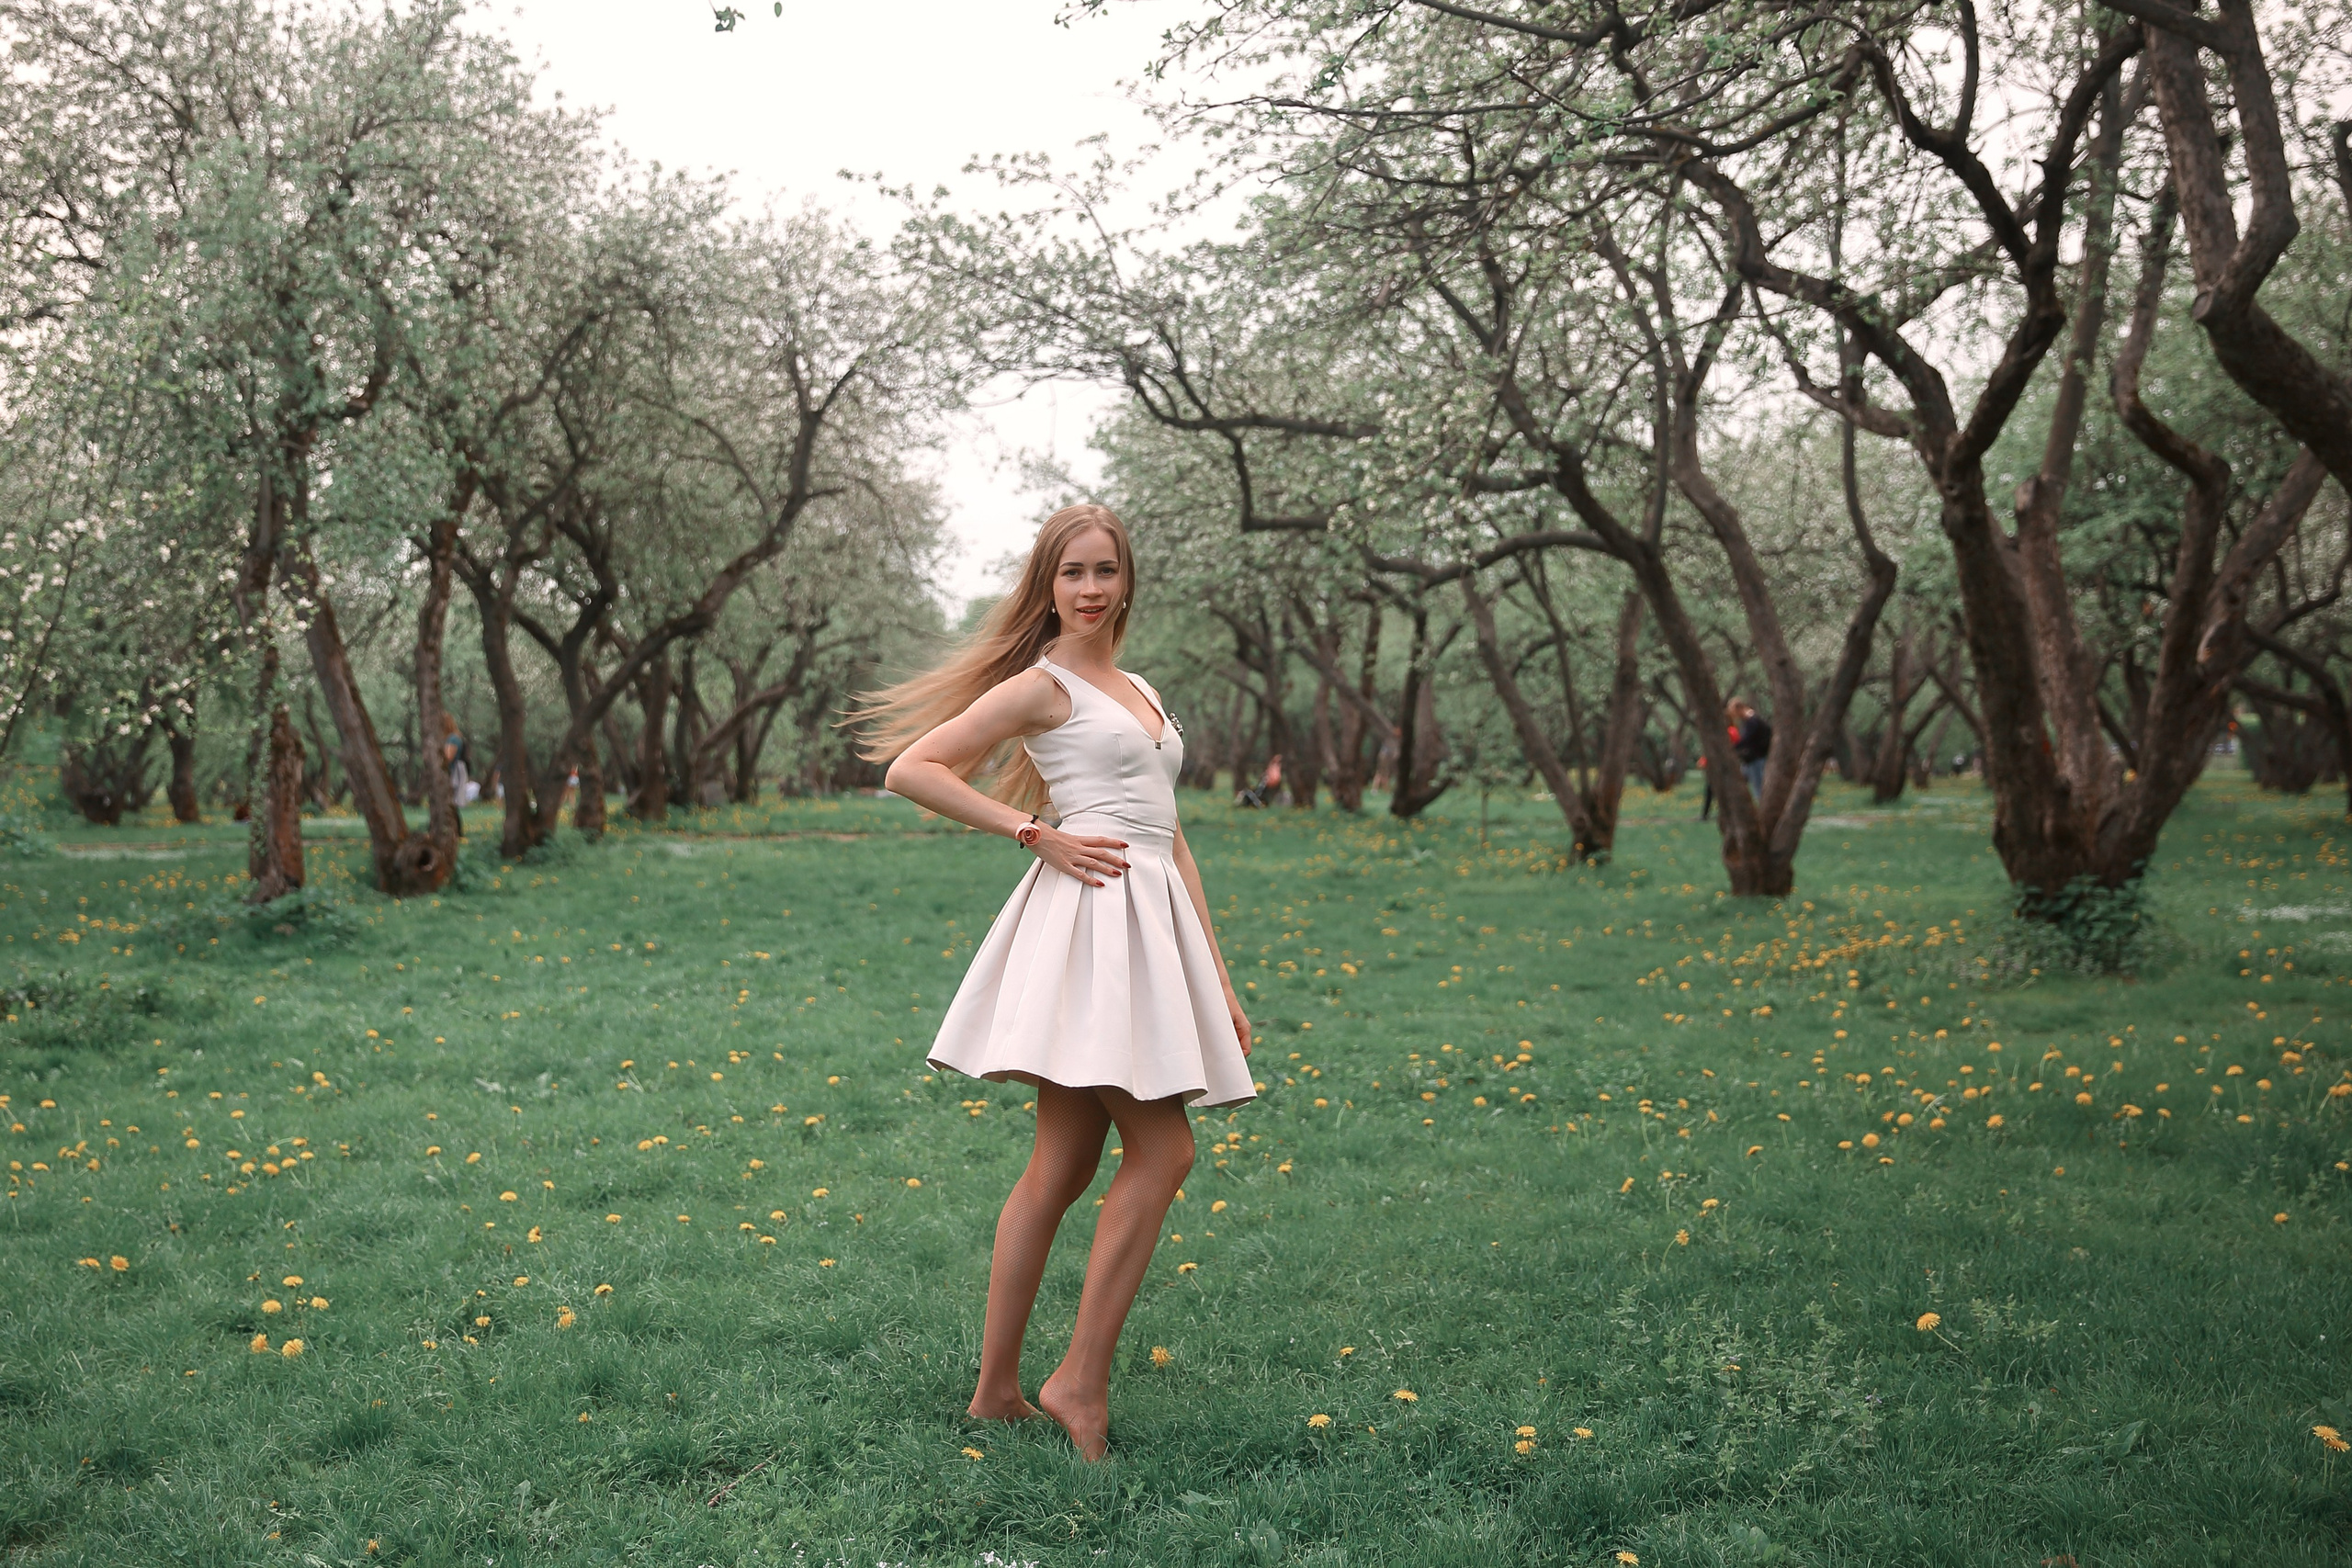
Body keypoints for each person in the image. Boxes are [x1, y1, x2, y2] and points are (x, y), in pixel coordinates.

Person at [859, 503, 1253, 1462]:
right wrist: (1034, 833)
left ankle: (995, 1394)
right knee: (1163, 1155)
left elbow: (1170, 833)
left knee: (1065, 1167)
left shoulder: (1137, 685)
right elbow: (915, 768)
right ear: (1048, 584)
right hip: (1090, 931)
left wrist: (1219, 973)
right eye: (1071, 572)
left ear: (1127, 580)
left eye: (1104, 571)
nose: (1089, 589)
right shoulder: (1041, 688)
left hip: (1150, 926)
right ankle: (1074, 1381)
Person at [1730, 699, 1772, 798]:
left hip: (1756, 758)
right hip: (1750, 759)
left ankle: (1762, 808)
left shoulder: (1752, 721)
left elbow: (1747, 739)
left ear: (1739, 708)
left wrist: (1733, 747)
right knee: (1739, 782)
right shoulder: (1750, 721)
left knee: (1758, 786)